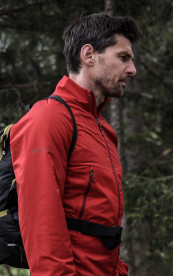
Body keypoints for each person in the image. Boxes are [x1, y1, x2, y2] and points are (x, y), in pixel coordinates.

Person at [10, 13, 140, 275]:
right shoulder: (49, 119)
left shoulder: (103, 128)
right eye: (123, 57)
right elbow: (40, 221)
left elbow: (98, 224)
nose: (132, 69)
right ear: (89, 55)